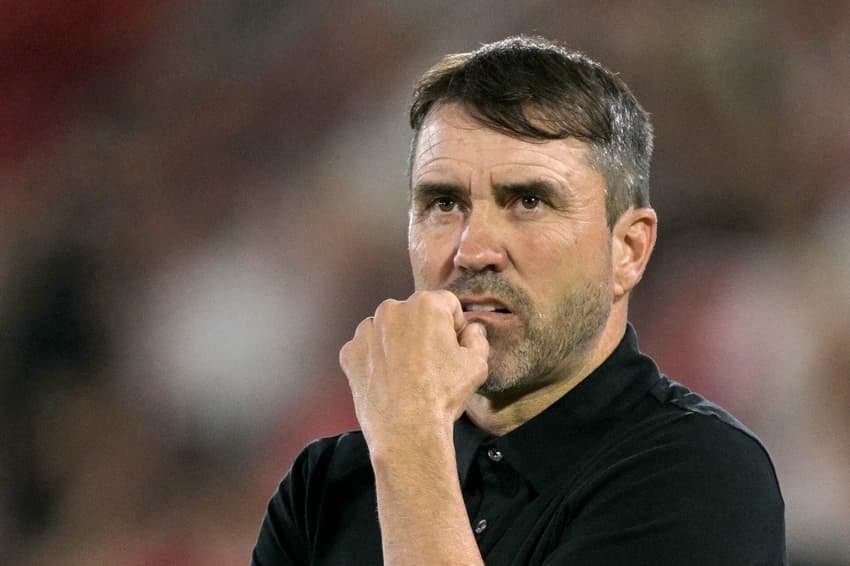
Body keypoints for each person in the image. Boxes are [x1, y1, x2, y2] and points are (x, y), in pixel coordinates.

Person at [251, 36, 786, 565]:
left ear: (628, 249)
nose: (472, 251)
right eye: (444, 203)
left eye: (529, 201)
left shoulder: (700, 474)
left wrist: (411, 444)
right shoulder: (325, 489)